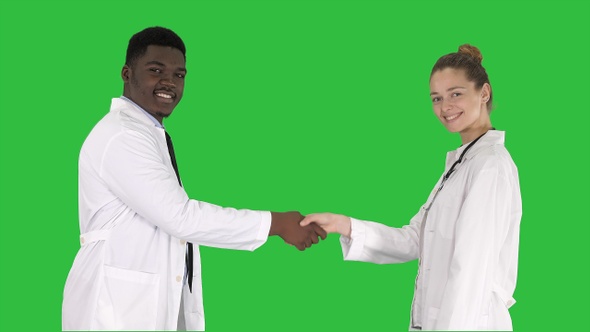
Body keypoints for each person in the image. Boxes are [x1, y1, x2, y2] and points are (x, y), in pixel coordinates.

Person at [62, 26, 326, 331]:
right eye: (156, 70)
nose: (169, 83)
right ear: (126, 73)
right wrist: (275, 224)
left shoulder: (148, 134)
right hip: (112, 311)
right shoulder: (123, 136)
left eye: (179, 75)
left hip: (142, 305)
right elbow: (180, 217)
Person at [301, 44, 522, 331]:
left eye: (456, 94)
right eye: (436, 98)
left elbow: (470, 271)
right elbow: (415, 239)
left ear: (484, 93)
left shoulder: (489, 166)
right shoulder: (462, 164)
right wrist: (344, 225)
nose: (445, 107)